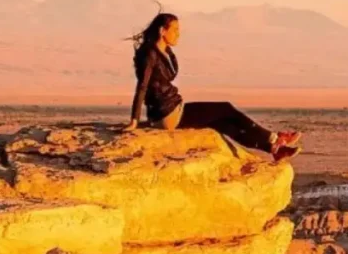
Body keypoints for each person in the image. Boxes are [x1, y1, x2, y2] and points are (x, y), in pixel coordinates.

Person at [122, 12, 302, 161]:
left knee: (223, 124)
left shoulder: (163, 52)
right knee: (226, 108)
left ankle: (273, 149)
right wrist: (135, 120)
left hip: (172, 109)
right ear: (163, 31)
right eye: (175, 30)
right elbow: (142, 87)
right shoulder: (149, 54)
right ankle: (274, 137)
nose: (178, 34)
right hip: (168, 114)